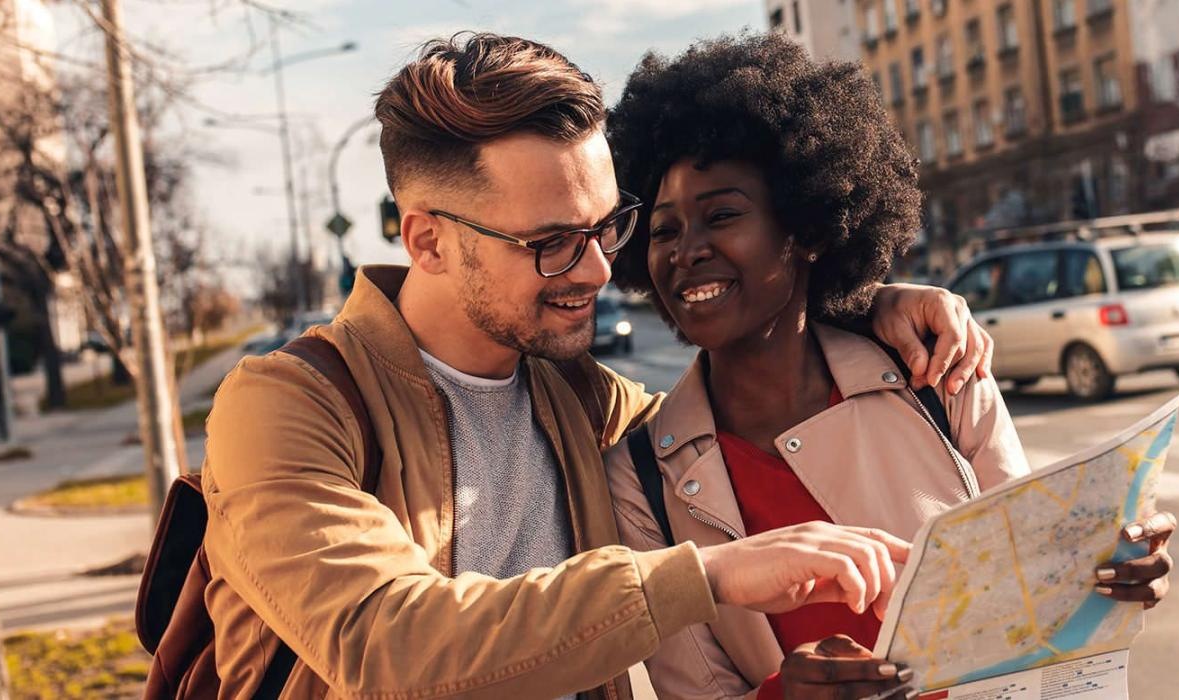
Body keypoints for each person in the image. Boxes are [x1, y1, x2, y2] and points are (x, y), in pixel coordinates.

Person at [199, 33, 999, 699]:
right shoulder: (287, 406)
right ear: (428, 242)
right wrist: (707, 575)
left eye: (606, 227)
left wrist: (859, 298)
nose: (593, 271)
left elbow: (747, 361)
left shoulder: (582, 399)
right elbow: (387, 643)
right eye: (549, 243)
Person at [602, 35, 1177, 699]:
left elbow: (1035, 593)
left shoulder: (936, 373)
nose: (687, 251)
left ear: (809, 230)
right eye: (665, 230)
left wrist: (1113, 576)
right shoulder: (642, 476)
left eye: (722, 215)